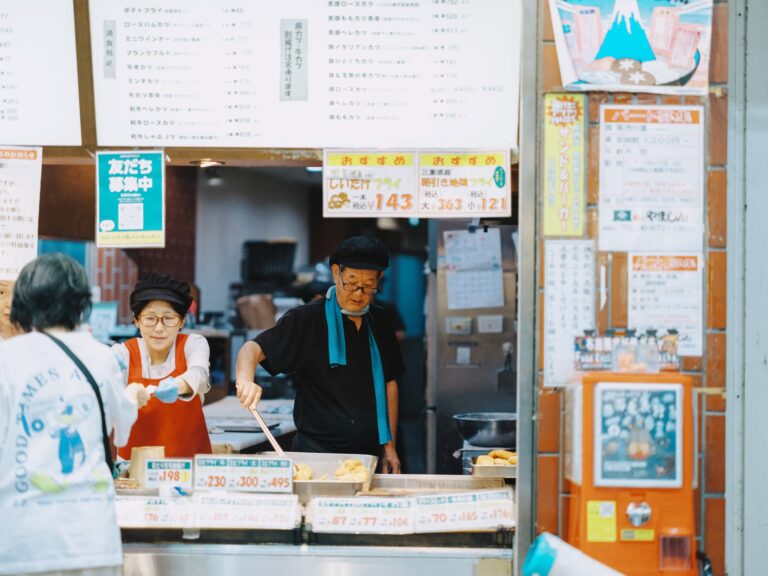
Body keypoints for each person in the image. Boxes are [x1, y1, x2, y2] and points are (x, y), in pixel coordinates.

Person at [0, 254, 149, 576]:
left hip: (23, 540)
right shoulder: (101, 357)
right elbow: (121, 428)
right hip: (91, 539)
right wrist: (132, 396)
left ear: (24, 302)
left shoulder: (6, 359)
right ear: (80, 303)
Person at [236, 236, 405, 473]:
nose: (358, 294)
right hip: (315, 455)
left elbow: (389, 385)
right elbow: (252, 348)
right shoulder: (306, 320)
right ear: (336, 273)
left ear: (379, 281)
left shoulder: (381, 321)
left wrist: (390, 447)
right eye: (352, 283)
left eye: (368, 286)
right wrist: (244, 378)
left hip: (369, 456)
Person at [112, 274, 212, 458]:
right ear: (136, 320)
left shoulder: (193, 344)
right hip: (133, 475)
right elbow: (106, 396)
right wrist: (126, 396)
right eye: (150, 318)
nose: (159, 328)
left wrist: (178, 386)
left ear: (181, 321)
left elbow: (200, 374)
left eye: (168, 318)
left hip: (189, 470)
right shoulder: (121, 354)